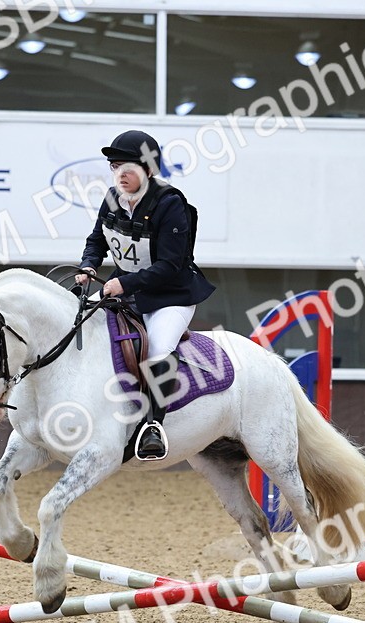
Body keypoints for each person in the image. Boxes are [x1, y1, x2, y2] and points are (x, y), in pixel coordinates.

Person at [76, 129, 215, 461]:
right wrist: (89, 267)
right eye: (115, 167)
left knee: (158, 348)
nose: (120, 174)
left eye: (129, 167)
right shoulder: (113, 198)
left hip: (171, 295)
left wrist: (123, 285)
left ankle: (152, 426)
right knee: (79, 321)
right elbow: (97, 240)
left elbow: (169, 265)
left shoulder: (170, 204)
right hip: (129, 289)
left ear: (148, 170)